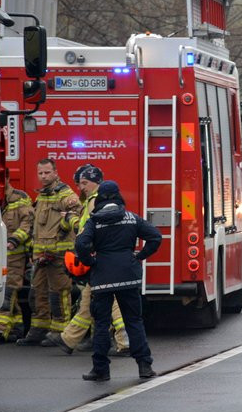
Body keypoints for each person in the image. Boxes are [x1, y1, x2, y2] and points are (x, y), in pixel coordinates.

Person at [75, 180, 161, 381]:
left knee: (102, 324)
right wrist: (139, 256)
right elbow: (155, 237)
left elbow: (81, 243)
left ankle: (101, 370)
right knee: (134, 321)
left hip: (103, 278)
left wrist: (91, 262)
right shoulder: (131, 218)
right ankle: (144, 366)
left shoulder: (94, 221)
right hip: (128, 277)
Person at [44, 165, 130, 356]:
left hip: (99, 260)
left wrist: (71, 221)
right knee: (86, 301)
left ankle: (125, 342)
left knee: (112, 301)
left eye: (85, 183)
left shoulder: (94, 202)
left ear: (96, 182)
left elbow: (88, 231)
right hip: (101, 259)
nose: (81, 187)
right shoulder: (98, 201)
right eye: (79, 183)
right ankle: (68, 339)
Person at [17, 159, 82, 346]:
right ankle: (39, 329)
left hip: (59, 254)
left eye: (47, 172)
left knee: (59, 293)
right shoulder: (42, 196)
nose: (43, 176)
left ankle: (60, 331)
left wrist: (64, 227)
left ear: (55, 173)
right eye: (40, 173)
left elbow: (76, 215)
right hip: (41, 255)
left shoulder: (65, 194)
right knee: (38, 292)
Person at [0, 179, 34, 343]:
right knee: (7, 291)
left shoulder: (19, 199)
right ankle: (16, 328)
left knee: (7, 291)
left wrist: (14, 240)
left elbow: (27, 223)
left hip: (15, 254)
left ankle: (0, 328)